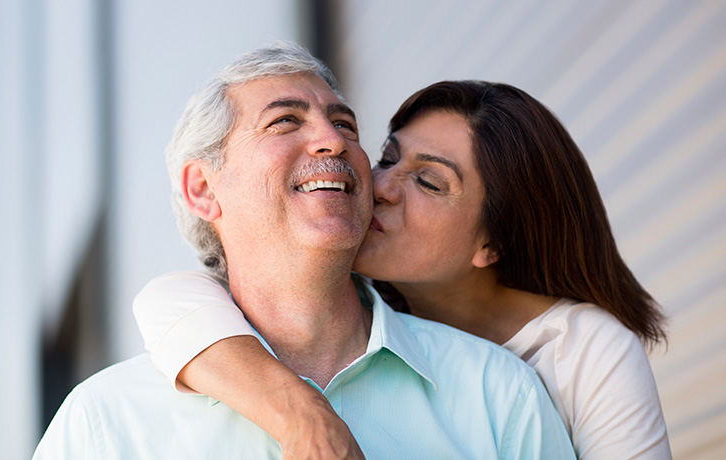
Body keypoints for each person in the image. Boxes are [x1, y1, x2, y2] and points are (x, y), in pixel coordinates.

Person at [34, 43, 575, 459]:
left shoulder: (499, 396)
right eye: (285, 121)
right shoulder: (105, 422)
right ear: (202, 188)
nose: (334, 140)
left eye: (345, 124)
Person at [133, 80, 672, 459]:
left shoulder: (583, 353)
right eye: (389, 158)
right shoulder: (358, 309)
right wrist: (302, 414)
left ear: (493, 243)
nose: (382, 187)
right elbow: (169, 302)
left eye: (430, 183)